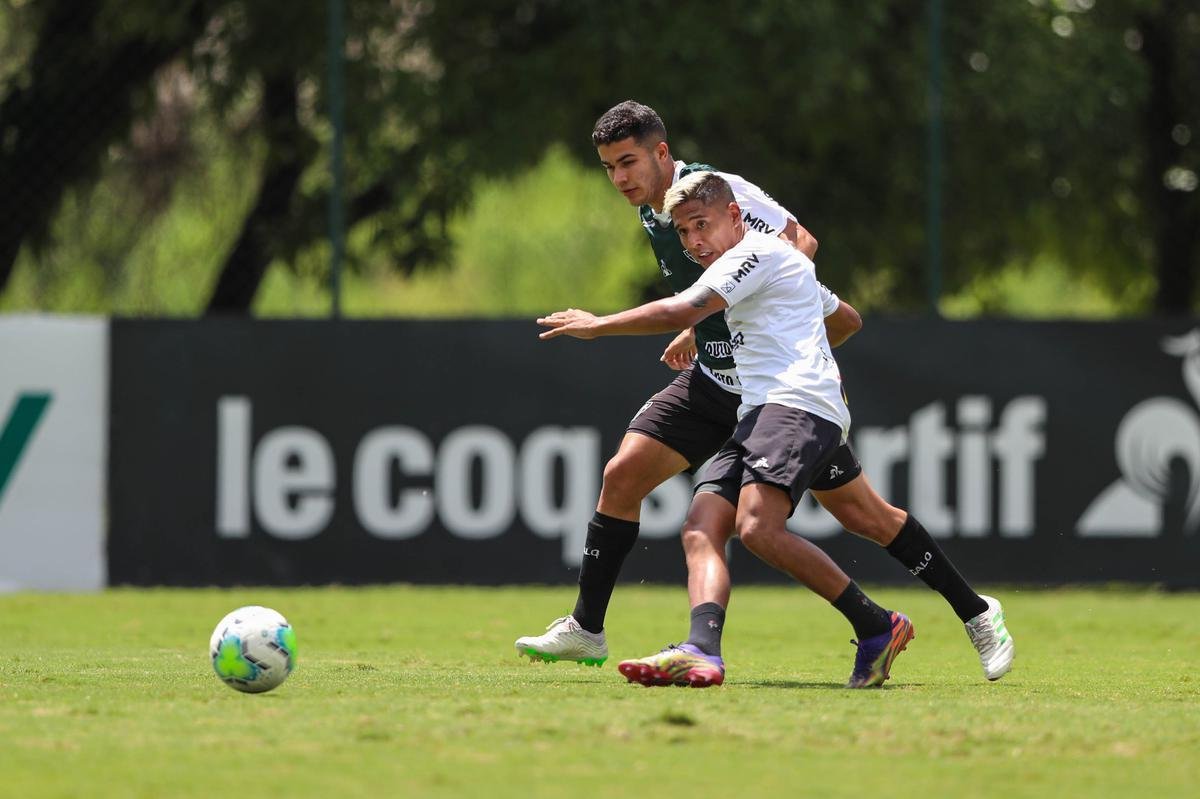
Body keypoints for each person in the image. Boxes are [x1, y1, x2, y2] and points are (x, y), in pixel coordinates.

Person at [515, 101, 1013, 684]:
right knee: (639, 484)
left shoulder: (725, 203)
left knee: (828, 521)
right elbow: (724, 301)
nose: (620, 177)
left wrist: (760, 319)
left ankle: (969, 615)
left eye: (628, 162)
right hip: (729, 385)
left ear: (662, 154)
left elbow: (798, 245)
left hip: (784, 395)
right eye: (609, 167)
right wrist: (713, 325)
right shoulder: (663, 215)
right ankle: (613, 633)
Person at [536, 171, 921, 687]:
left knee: (799, 524)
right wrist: (702, 327)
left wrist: (600, 325)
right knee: (692, 518)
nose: (694, 240)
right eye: (609, 166)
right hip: (741, 400)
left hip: (788, 405)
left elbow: (794, 279)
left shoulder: (752, 236)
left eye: (702, 226)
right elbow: (714, 304)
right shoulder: (683, 230)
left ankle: (919, 619)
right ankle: (688, 646)